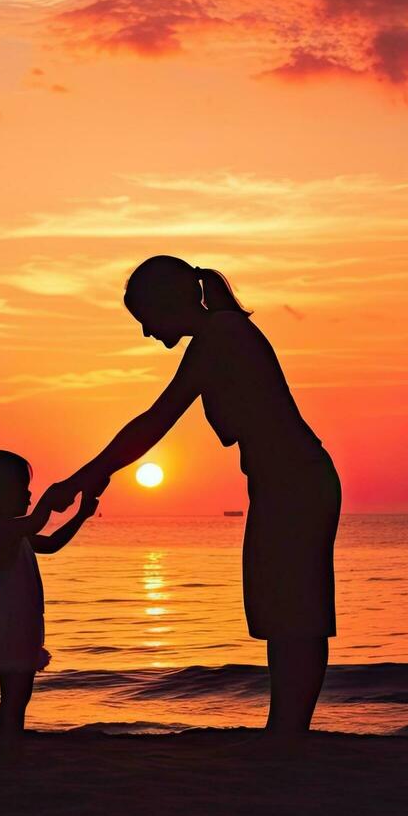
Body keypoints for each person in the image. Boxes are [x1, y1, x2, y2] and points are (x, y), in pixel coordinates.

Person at [46, 255, 341, 735]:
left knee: (295, 612)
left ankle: (289, 730)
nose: (145, 333)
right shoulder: (219, 335)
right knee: (283, 608)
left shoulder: (219, 337)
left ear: (166, 303)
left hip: (296, 481)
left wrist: (80, 478)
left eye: (145, 319)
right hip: (286, 481)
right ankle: (287, 727)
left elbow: (154, 422)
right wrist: (96, 475)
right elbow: (152, 427)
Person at [0, 449, 101, 733]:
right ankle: (9, 742)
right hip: (10, 627)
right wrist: (51, 496)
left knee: (18, 696)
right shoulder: (2, 533)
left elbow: (51, 543)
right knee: (15, 697)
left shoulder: (15, 533)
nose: (28, 495)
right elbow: (39, 521)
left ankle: (11, 739)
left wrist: (81, 515)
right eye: (22, 488)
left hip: (19, 625)